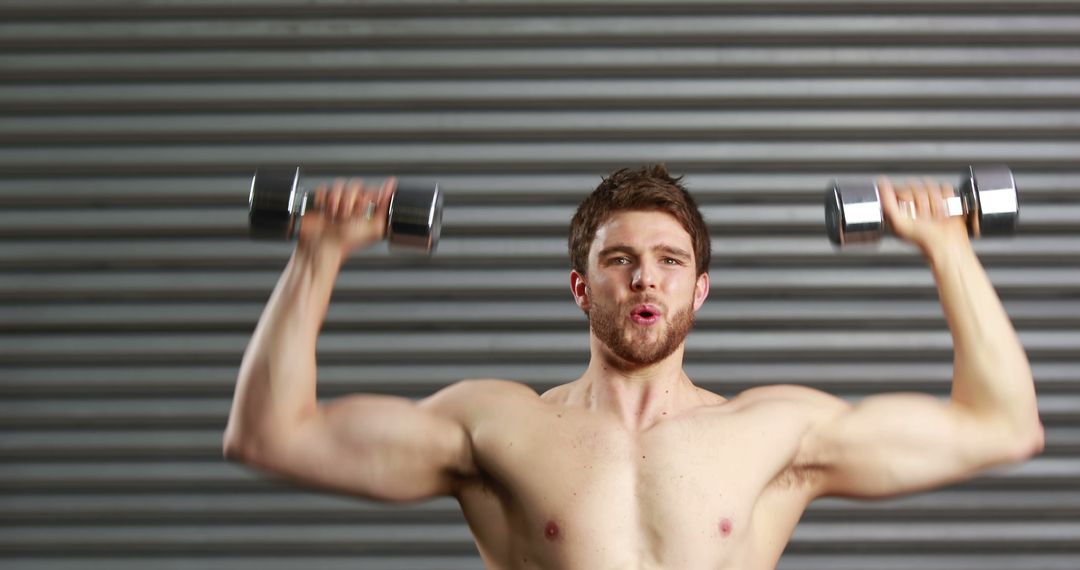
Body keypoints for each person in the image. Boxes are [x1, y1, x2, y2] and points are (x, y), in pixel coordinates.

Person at [224, 165, 1044, 569]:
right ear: (582, 288)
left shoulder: (775, 433)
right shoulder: (497, 425)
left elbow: (1001, 427)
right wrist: (317, 256)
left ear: (702, 287)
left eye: (668, 261)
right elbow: (271, 435)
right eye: (619, 261)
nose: (645, 278)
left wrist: (948, 246)